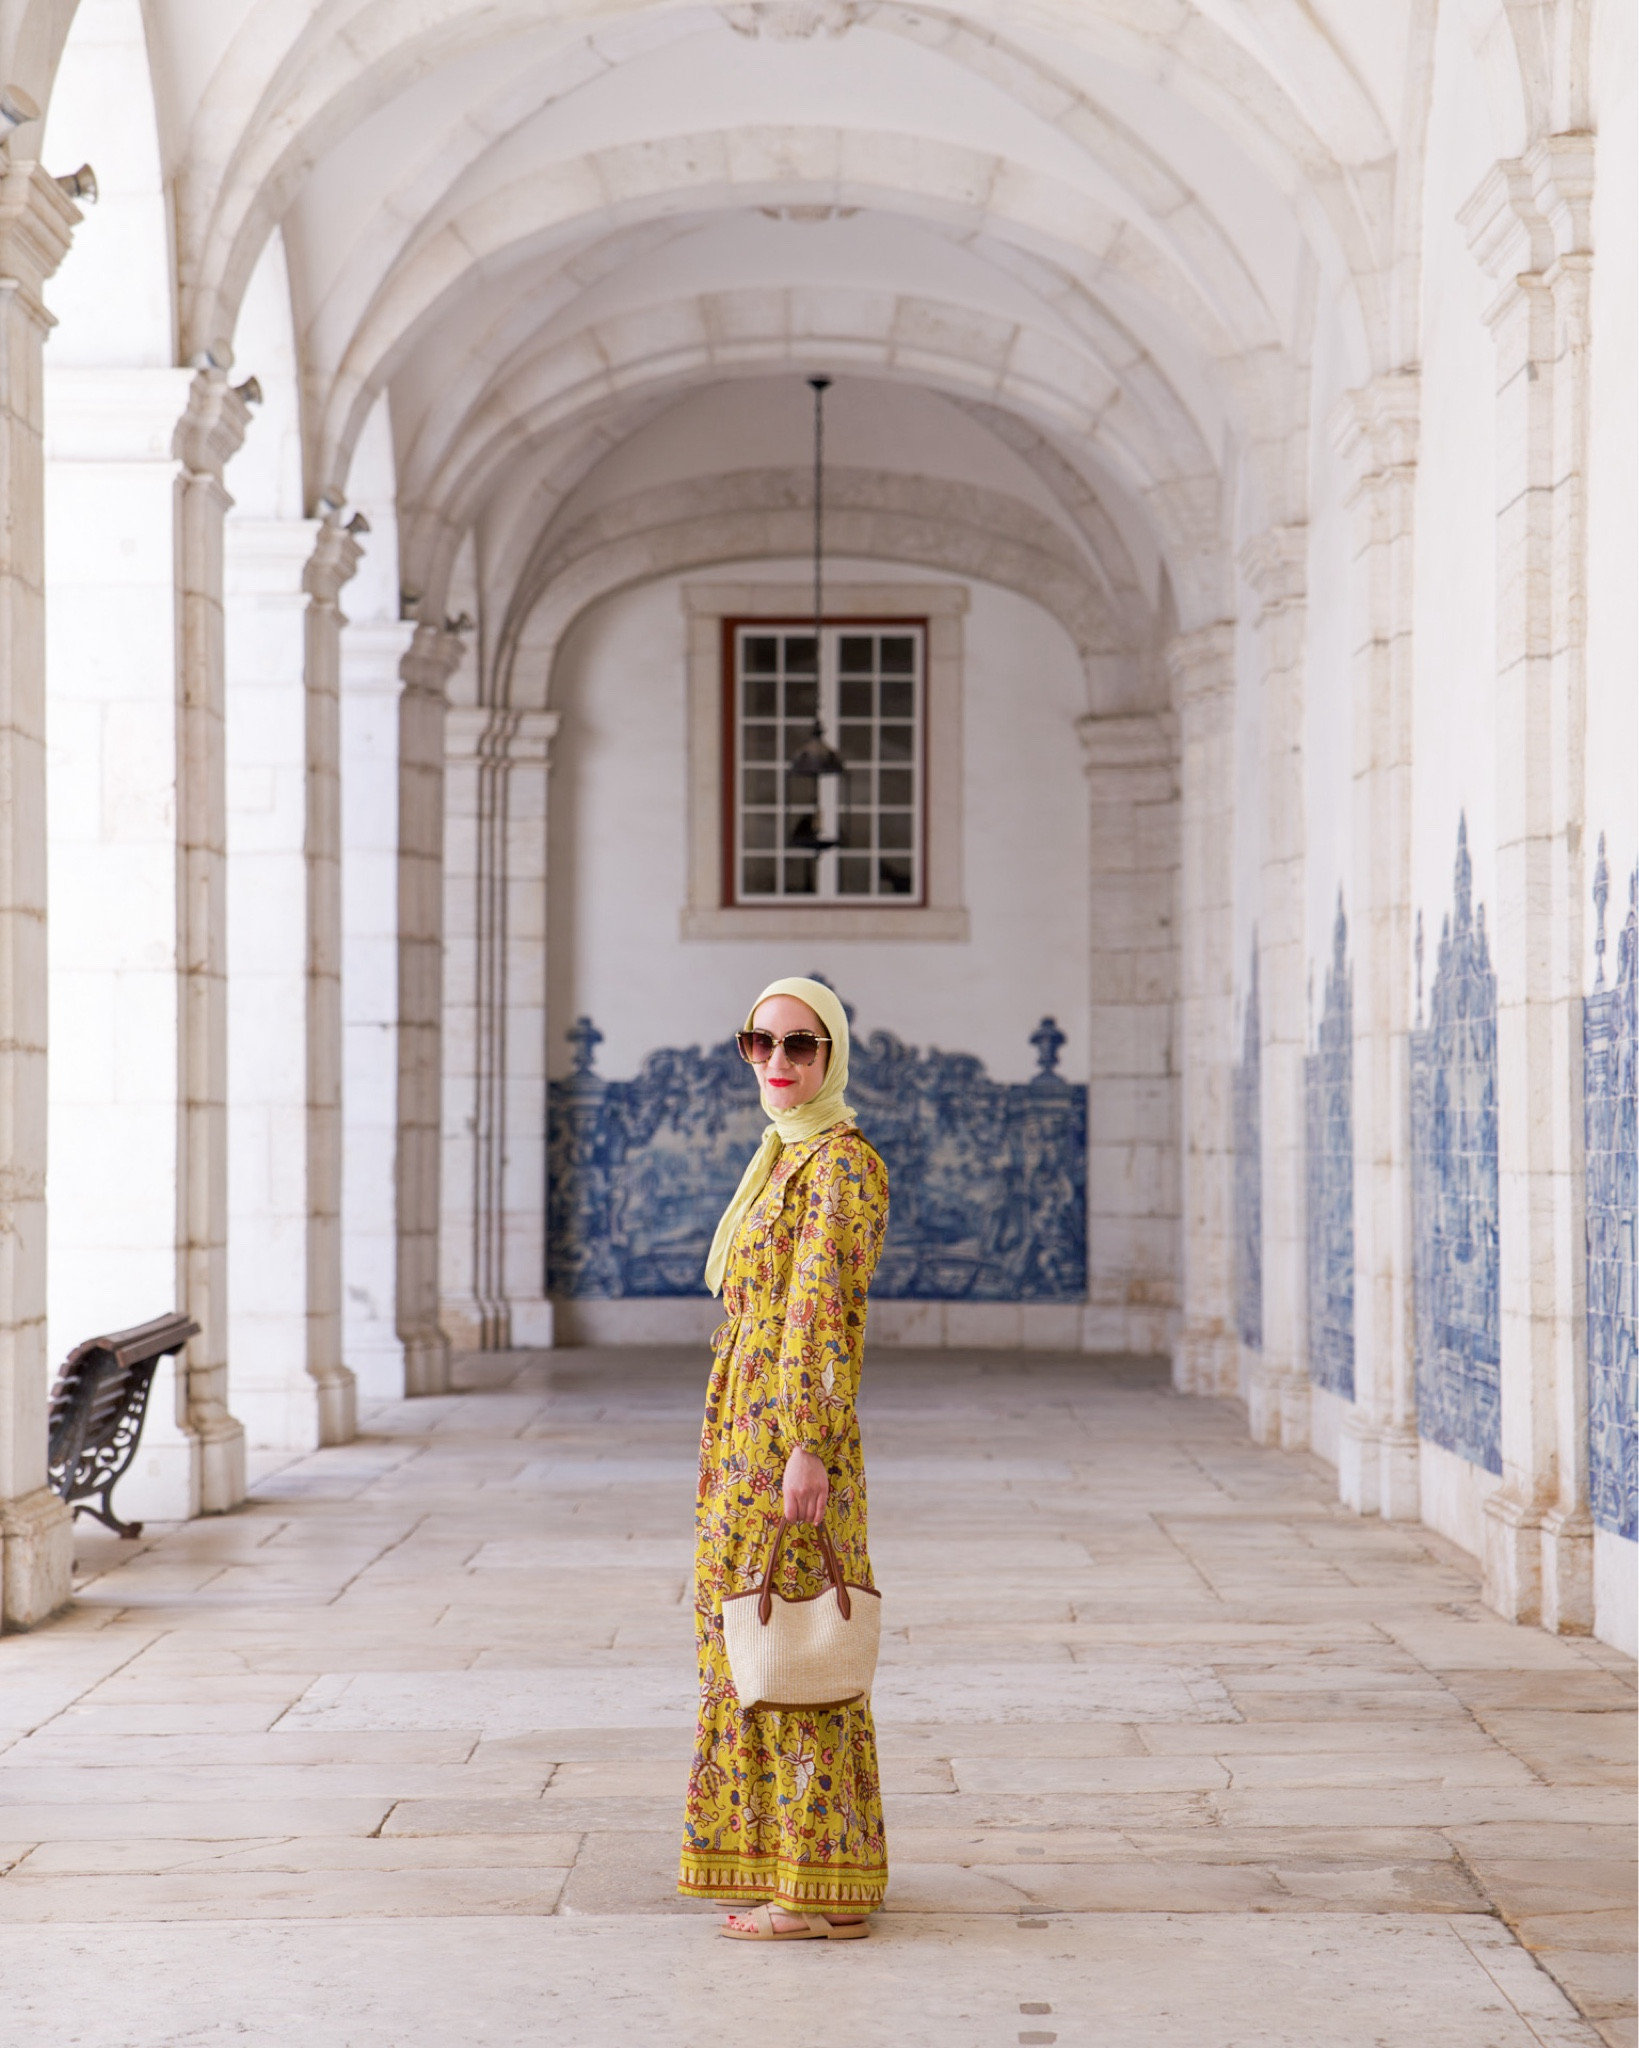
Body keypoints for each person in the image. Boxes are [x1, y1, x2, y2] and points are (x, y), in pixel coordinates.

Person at [678, 975, 890, 1942]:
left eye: (800, 1047)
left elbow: (818, 1316)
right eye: (758, 1043)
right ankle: (796, 1868)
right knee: (750, 1644)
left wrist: (805, 1445)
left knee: (794, 1642)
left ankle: (813, 1892)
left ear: (832, 1055)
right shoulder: (781, 1158)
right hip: (745, 1429)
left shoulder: (839, 1165)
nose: (776, 1063)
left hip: (786, 1439)